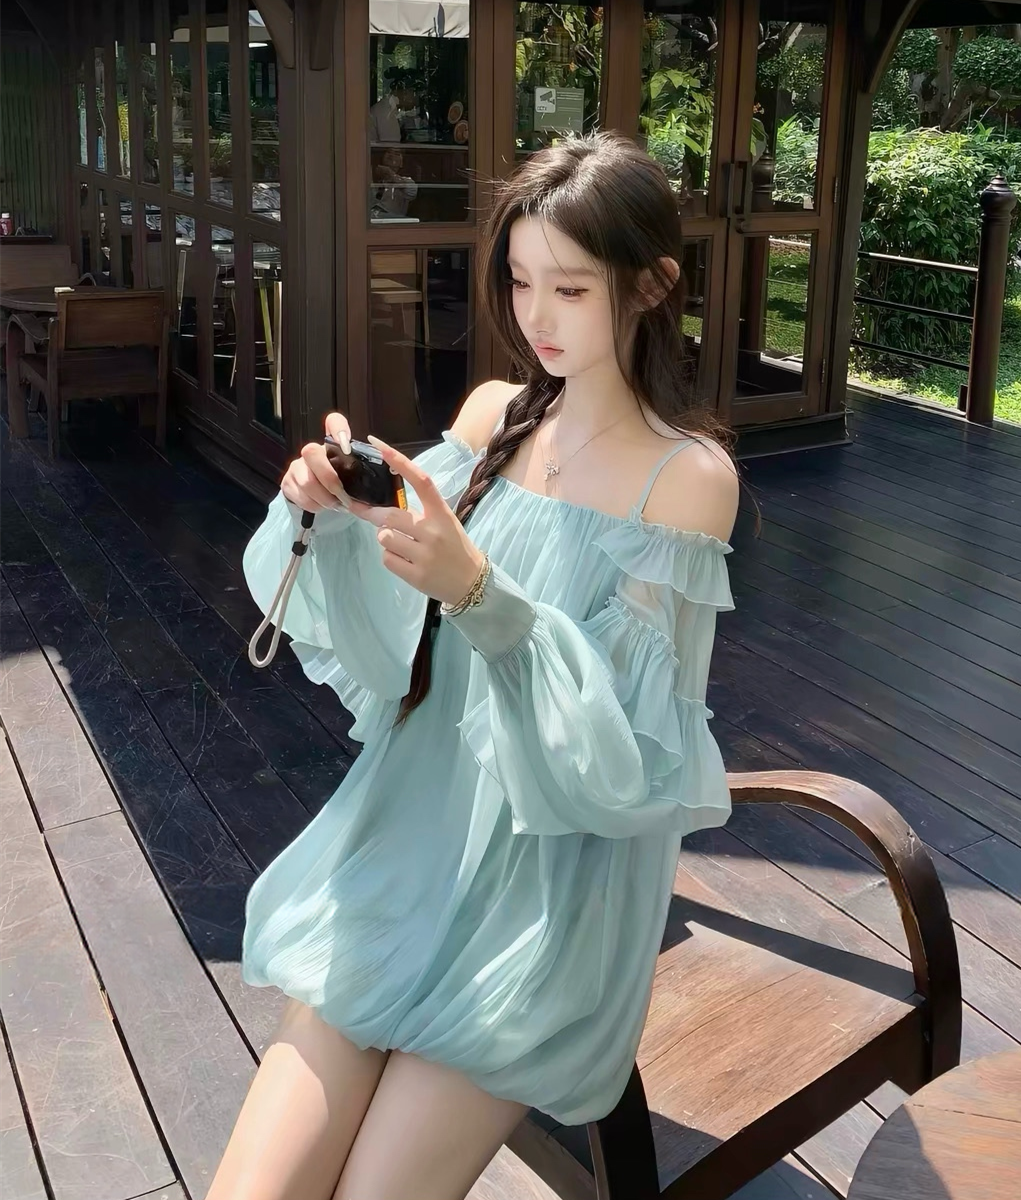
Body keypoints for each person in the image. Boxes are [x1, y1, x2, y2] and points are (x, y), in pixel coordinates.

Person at [209, 131, 742, 1200]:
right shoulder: (492, 416)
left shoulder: (688, 481)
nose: (537, 315)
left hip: (546, 896)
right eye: (521, 280)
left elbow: (622, 764)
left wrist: (481, 595)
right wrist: (339, 511)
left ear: (651, 286)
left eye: (571, 288)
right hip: (410, 837)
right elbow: (397, 641)